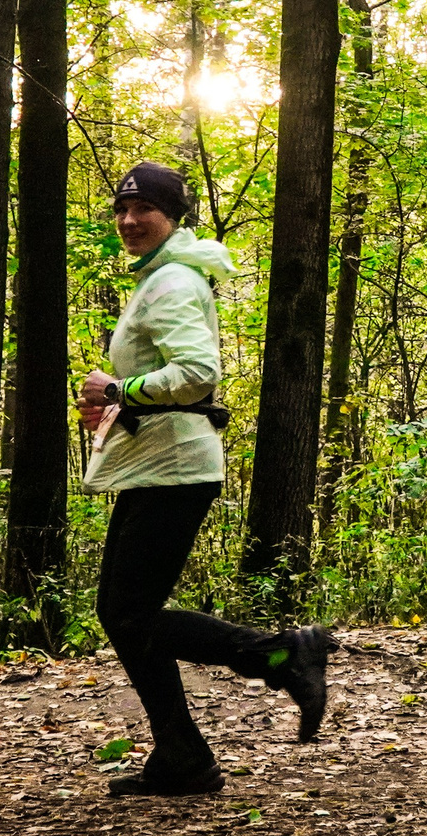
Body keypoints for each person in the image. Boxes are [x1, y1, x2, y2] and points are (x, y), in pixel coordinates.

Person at [76, 161, 336, 795]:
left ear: (174, 217)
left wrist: (120, 388)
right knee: (125, 612)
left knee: (128, 612)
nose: (131, 221)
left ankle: (281, 654)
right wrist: (116, 405)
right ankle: (182, 755)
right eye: (124, 210)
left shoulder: (172, 282)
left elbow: (195, 373)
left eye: (147, 211)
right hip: (158, 464)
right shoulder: (161, 277)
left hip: (175, 468)